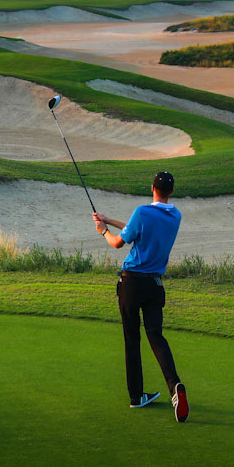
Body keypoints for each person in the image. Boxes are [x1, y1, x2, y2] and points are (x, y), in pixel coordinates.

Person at [93, 171, 188, 422]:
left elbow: (117, 243)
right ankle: (175, 386)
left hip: (132, 283)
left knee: (132, 338)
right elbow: (138, 227)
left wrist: (103, 230)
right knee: (156, 336)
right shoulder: (175, 216)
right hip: (155, 285)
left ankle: (136, 396)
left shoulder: (142, 212)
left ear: (151, 188)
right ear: (171, 191)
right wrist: (107, 219)